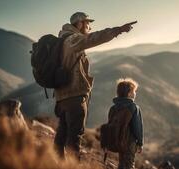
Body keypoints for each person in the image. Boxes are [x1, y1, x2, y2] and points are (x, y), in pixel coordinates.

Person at [54, 12, 136, 159]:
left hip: (61, 96)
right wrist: (119, 30)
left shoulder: (62, 40)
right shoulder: (73, 40)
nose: (89, 27)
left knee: (62, 134)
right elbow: (94, 38)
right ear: (79, 24)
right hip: (74, 96)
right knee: (74, 137)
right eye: (87, 23)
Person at [107, 78, 143, 169]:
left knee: (122, 161)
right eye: (134, 91)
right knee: (129, 163)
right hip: (130, 141)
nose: (135, 93)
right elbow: (137, 127)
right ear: (129, 93)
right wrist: (140, 142)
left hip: (118, 140)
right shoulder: (133, 107)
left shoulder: (113, 107)